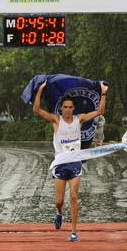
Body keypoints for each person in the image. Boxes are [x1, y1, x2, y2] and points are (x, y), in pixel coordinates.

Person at [33, 80, 108, 242]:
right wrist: (40, 90)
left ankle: (74, 232)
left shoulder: (79, 119)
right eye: (65, 107)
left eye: (70, 107)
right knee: (59, 201)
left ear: (74, 108)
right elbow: (36, 109)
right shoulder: (56, 120)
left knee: (73, 196)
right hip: (60, 164)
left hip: (75, 162)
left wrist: (103, 92)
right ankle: (59, 214)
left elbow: (100, 111)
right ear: (61, 108)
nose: (67, 110)